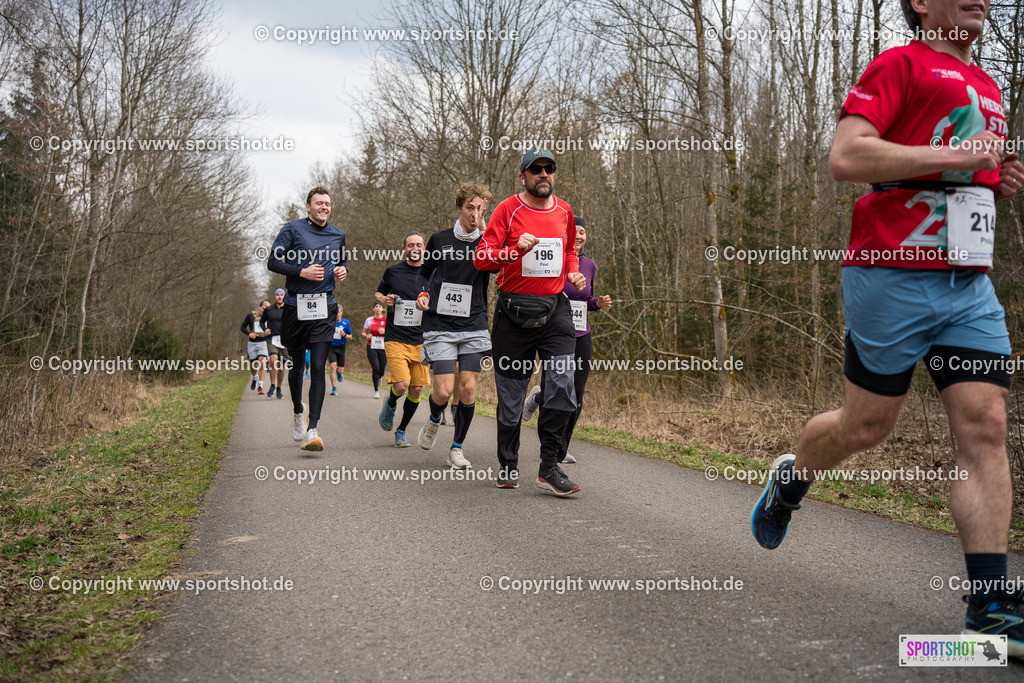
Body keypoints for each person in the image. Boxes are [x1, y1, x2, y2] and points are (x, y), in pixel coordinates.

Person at [750, 0, 1024, 656]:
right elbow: (848, 157)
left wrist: (995, 176)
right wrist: (953, 154)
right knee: (866, 427)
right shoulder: (899, 65)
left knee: (985, 424)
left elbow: (960, 172)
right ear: (922, 3)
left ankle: (988, 607)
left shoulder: (988, 86)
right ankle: (791, 479)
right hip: (891, 275)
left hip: (967, 285)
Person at [473, 147, 586, 495]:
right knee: (511, 395)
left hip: (555, 308)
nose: (543, 175)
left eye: (548, 169)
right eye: (535, 170)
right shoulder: (508, 209)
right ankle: (508, 465)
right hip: (513, 313)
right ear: (523, 176)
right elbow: (481, 259)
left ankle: (549, 466)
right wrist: (513, 251)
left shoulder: (564, 210)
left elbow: (567, 249)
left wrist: (573, 272)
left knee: (563, 383)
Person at [415, 182, 495, 469]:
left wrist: (486, 234)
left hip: (473, 322)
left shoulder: (486, 241)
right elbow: (424, 273)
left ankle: (457, 448)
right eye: (470, 208)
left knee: (469, 390)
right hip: (440, 323)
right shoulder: (440, 239)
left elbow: (497, 266)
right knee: (444, 391)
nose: (475, 213)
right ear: (459, 208)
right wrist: (423, 293)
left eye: (480, 208)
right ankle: (435, 416)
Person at [522, 217, 612, 464]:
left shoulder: (590, 265)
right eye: (576, 232)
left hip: (581, 333)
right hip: (554, 333)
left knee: (577, 393)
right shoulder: (553, 258)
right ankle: (546, 433)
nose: (580, 236)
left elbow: (586, 300)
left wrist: (598, 304)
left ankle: (563, 446)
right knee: (556, 390)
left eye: (583, 232)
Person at [267, 186, 348, 452]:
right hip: (295, 306)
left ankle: (313, 428)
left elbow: (342, 262)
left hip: (325, 306)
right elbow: (273, 263)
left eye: (327, 203)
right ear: (308, 206)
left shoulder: (338, 234)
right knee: (297, 366)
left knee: (318, 368)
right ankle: (297, 411)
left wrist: (341, 271)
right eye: (318, 203)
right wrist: (301, 272)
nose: (324, 207)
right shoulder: (292, 230)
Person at [375, 233, 429, 448]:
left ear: (424, 248)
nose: (414, 247)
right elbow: (378, 294)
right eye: (410, 245)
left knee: (416, 390)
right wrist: (384, 299)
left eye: (418, 244)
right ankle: (390, 403)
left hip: (422, 339)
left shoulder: (431, 273)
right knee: (403, 384)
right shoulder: (393, 271)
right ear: (404, 248)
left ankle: (402, 430)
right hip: (396, 336)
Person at [262, 288, 288, 399]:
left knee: (282, 366)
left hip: (284, 340)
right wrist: (265, 329)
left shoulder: (288, 309)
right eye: (278, 294)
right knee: (273, 360)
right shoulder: (269, 309)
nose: (280, 297)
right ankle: (272, 385)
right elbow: (262, 321)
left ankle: (279, 388)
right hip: (271, 339)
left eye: (282, 295)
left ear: (284, 296)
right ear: (275, 296)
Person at [240, 301, 270, 394]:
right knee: (253, 365)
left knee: (262, 361)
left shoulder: (268, 318)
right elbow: (242, 327)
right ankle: (255, 377)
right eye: (264, 308)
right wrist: (249, 334)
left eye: (267, 309)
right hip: (252, 343)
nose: (265, 310)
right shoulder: (250, 316)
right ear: (259, 307)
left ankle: (260, 386)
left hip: (263, 343)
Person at [363, 303, 387, 399]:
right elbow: (363, 332)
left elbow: (392, 332)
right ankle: (376, 391)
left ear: (382, 309)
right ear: (373, 309)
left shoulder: (386, 319)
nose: (378, 308)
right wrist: (366, 335)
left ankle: (380, 376)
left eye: (380, 306)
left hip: (383, 346)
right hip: (371, 346)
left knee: (382, 368)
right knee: (375, 367)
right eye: (376, 306)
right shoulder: (369, 320)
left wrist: (385, 331)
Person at [329, 305, 353, 396]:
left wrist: (344, 335)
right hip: (331, 347)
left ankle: (339, 373)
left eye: (339, 312)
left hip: (341, 347)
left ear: (341, 313)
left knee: (340, 370)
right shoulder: (330, 322)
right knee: (332, 366)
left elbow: (350, 336)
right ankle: (334, 388)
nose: (337, 314)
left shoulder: (346, 323)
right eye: (336, 312)